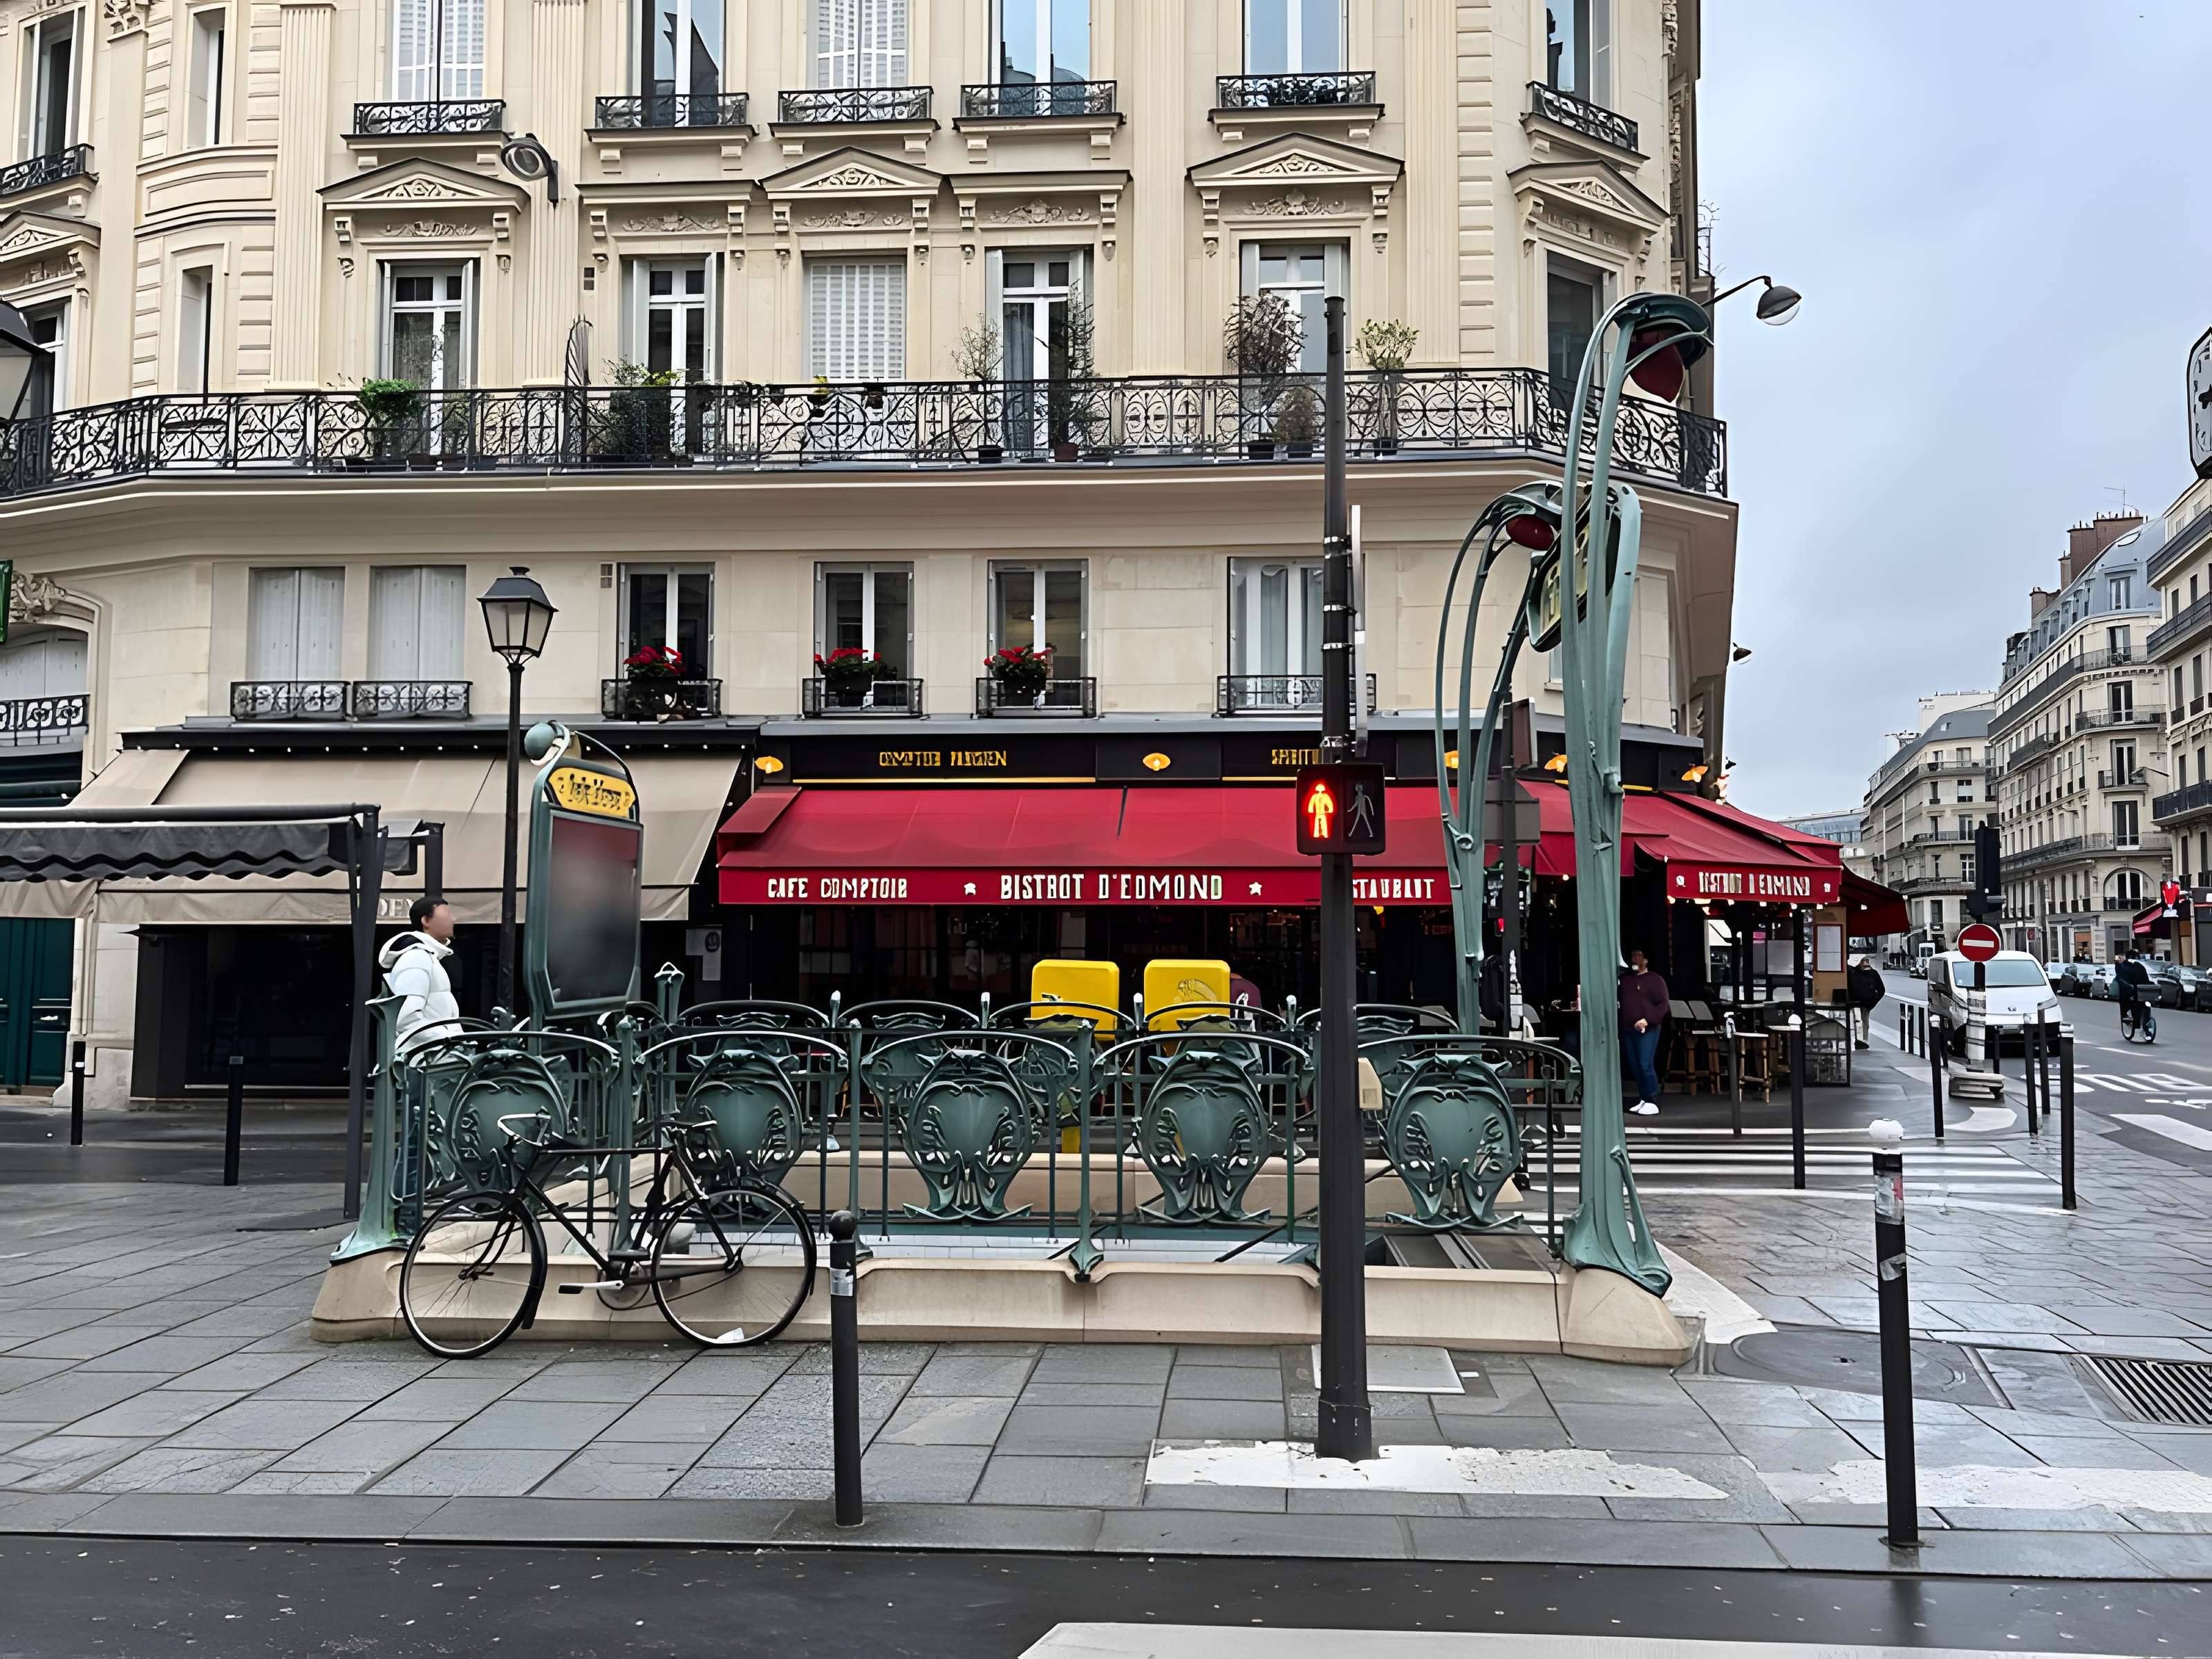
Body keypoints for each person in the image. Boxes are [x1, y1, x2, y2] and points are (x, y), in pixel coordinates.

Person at [379, 895, 462, 1057]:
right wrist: (446, 1040)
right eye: (446, 913)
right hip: (426, 1061)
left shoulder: (427, 957)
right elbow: (407, 1019)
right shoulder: (417, 957)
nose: (453, 918)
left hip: (433, 1056)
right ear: (426, 921)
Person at [1618, 948, 1669, 1116]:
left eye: (1638, 955)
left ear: (1646, 960)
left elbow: (1663, 1005)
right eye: (1632, 955)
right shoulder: (1625, 981)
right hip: (1628, 1028)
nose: (1634, 959)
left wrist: (1648, 1020)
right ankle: (1644, 1098)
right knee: (1635, 1065)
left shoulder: (1654, 980)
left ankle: (1652, 1099)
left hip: (1647, 1028)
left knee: (1645, 1063)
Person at [1847, 955, 1886, 1050]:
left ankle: (1859, 1040)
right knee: (1863, 1022)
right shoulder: (1872, 973)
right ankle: (1863, 1040)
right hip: (1865, 1002)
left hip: (1857, 1002)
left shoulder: (1853, 972)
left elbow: (1881, 990)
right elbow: (1881, 990)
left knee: (1856, 1021)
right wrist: (1874, 1000)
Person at [2113, 948, 2152, 1035]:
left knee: (2131, 1006)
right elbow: (2146, 980)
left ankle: (2131, 1021)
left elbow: (2120, 978)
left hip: (2130, 993)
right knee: (2145, 1007)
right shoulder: (2141, 966)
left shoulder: (2124, 967)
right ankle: (2146, 1029)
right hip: (2143, 992)